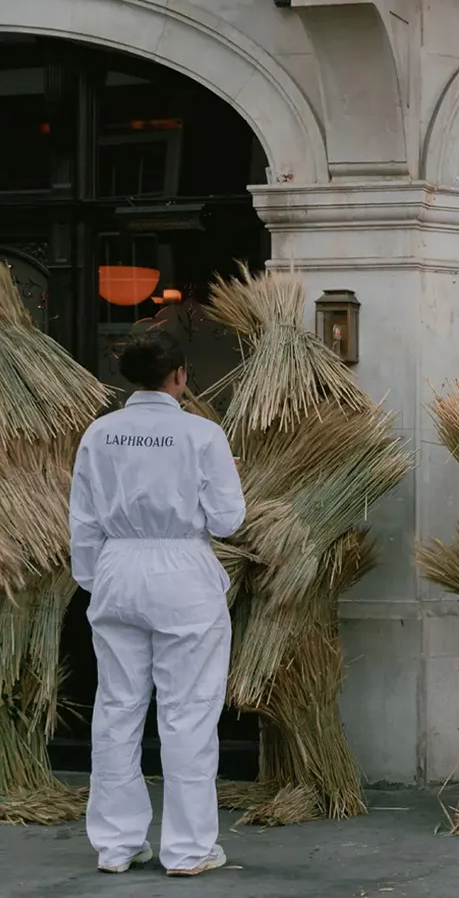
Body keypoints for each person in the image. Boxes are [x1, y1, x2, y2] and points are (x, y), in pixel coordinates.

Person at [69, 329, 245, 875]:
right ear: (181, 375)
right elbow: (227, 520)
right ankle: (189, 849)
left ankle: (117, 844)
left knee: (116, 710)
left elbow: (84, 519)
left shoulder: (100, 433)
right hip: (182, 574)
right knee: (188, 712)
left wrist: (97, 580)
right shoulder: (202, 434)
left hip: (118, 569)